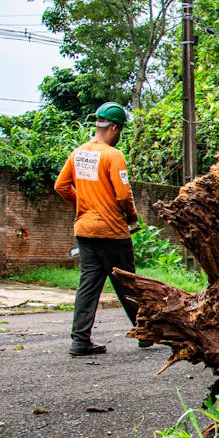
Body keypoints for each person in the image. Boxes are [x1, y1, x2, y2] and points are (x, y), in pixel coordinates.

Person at [54, 102, 150, 356]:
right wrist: (132, 218)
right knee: (128, 283)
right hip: (112, 231)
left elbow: (61, 186)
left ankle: (80, 340)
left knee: (88, 285)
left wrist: (84, 202)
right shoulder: (113, 156)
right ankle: (145, 333)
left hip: (85, 230)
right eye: (121, 131)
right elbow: (122, 194)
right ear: (115, 128)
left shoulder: (78, 153)